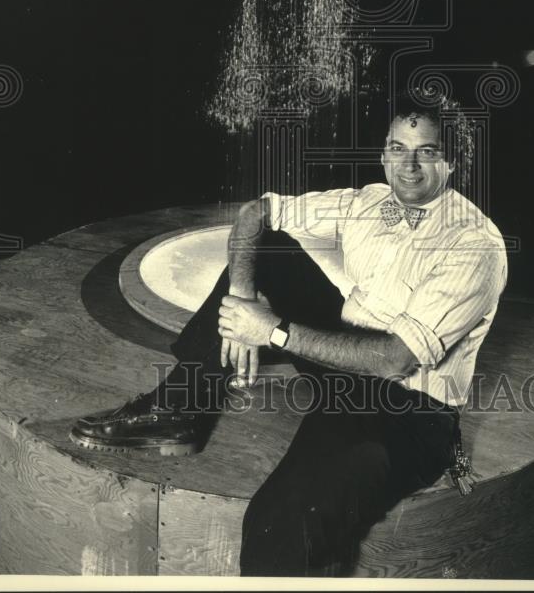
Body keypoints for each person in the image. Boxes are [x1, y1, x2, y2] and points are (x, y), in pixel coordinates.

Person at [71, 90, 508, 576]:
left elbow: (395, 359)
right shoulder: (367, 202)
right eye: (396, 148)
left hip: (406, 412)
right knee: (271, 250)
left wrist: (272, 331)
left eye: (426, 151)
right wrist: (242, 295)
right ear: (384, 152)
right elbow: (256, 213)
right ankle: (180, 412)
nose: (408, 165)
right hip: (347, 364)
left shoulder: (473, 244)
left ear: (453, 161)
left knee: (278, 525)